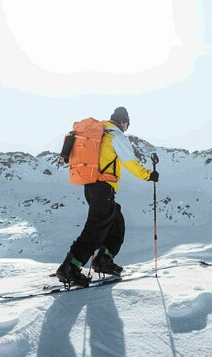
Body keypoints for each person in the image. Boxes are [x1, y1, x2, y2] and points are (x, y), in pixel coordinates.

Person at [56, 107, 159, 287]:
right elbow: (130, 163)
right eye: (127, 124)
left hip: (93, 187)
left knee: (116, 222)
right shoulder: (115, 136)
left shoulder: (101, 133)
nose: (127, 128)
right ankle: (70, 267)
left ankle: (103, 260)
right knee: (95, 229)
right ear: (123, 121)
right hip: (103, 187)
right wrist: (148, 175)